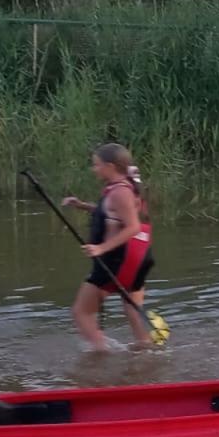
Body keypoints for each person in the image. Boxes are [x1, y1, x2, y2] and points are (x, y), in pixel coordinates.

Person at [63, 144, 156, 350]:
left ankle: (100, 357)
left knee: (81, 312)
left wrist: (101, 248)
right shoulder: (127, 187)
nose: (94, 169)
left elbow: (133, 227)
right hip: (139, 259)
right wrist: (82, 205)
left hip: (117, 261)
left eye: (96, 165)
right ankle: (147, 355)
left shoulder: (119, 192)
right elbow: (115, 213)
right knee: (133, 309)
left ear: (110, 166)